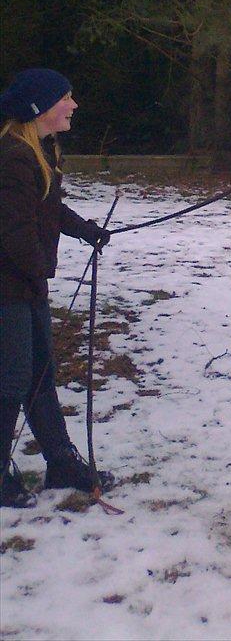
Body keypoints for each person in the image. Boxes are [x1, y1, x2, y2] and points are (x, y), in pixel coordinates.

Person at [0, 69, 113, 508]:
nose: (74, 105)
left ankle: (61, 463)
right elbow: (13, 234)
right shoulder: (12, 157)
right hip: (9, 291)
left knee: (39, 378)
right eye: (67, 98)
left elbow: (48, 208)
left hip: (24, 288)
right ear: (40, 108)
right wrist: (37, 276)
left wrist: (86, 231)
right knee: (12, 381)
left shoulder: (36, 153)